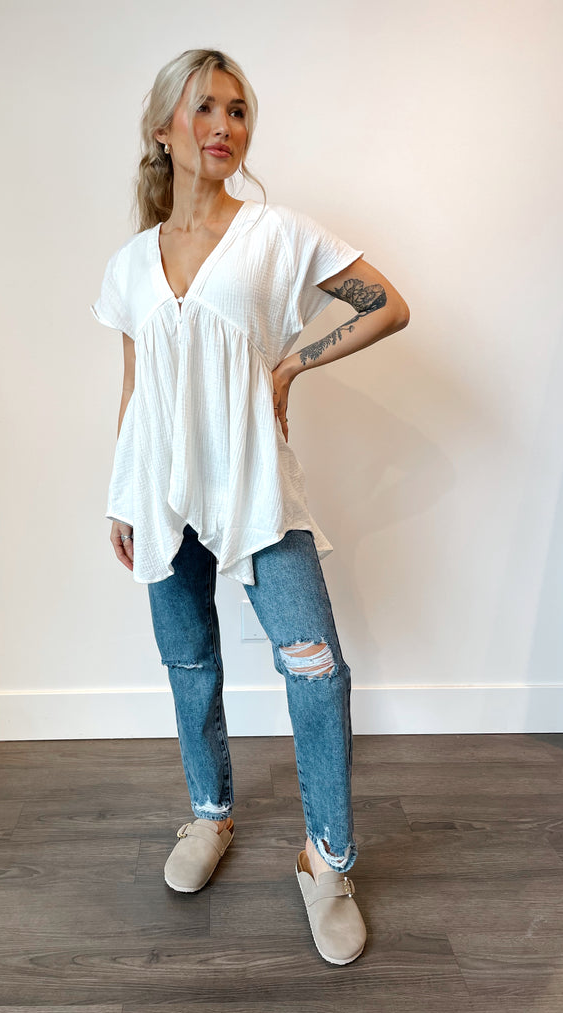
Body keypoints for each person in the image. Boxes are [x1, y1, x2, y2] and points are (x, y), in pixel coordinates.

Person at [90, 48, 409, 965]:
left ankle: (327, 863)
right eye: (204, 108)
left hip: (254, 488)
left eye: (237, 110)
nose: (224, 126)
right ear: (164, 130)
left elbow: (386, 305)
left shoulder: (274, 233)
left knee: (316, 668)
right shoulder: (129, 265)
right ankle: (210, 814)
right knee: (189, 660)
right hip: (160, 490)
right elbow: (136, 393)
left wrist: (291, 365)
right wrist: (122, 498)